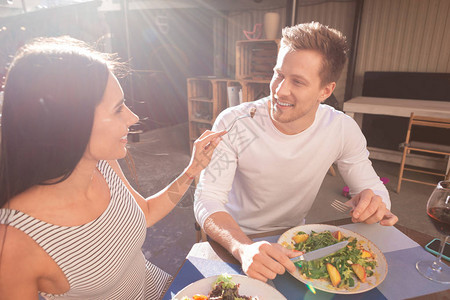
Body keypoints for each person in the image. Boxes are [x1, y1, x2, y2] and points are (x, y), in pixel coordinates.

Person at [0, 36, 225, 299]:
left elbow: (147, 213)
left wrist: (192, 170)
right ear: (69, 124)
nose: (134, 117)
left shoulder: (101, 162)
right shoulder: (13, 239)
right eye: (118, 109)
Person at [194, 22, 398, 282]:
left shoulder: (341, 128)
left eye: (297, 82)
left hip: (294, 241)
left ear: (325, 90)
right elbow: (207, 197)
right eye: (278, 74)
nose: (279, 90)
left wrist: (375, 203)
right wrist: (243, 247)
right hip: (236, 238)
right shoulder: (236, 122)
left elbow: (374, 190)